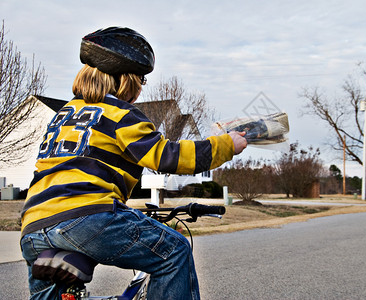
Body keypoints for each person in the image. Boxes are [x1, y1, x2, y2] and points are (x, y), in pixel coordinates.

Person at [20, 26, 247, 300]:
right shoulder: (119, 113)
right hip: (87, 217)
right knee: (173, 252)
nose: (140, 88)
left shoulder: (64, 115)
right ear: (125, 79)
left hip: (32, 227)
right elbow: (166, 156)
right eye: (141, 79)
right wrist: (226, 145)